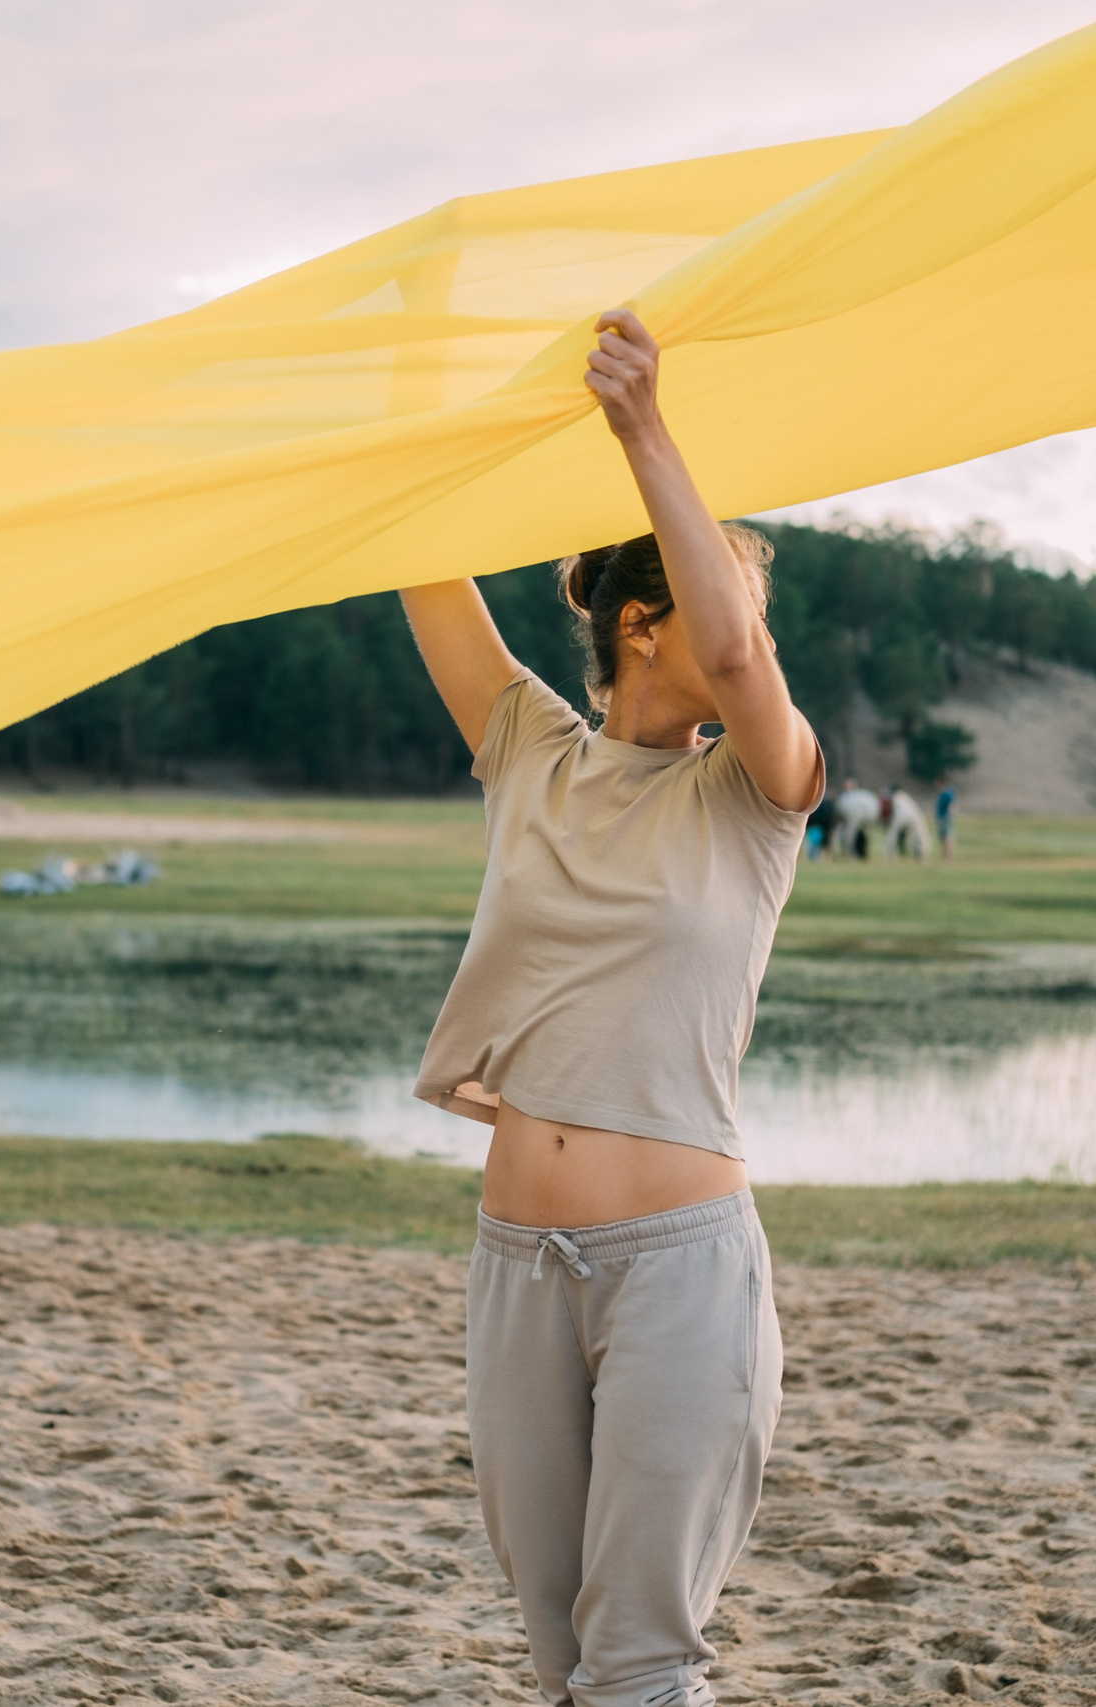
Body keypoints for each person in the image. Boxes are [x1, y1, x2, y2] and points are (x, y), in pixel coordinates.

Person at [398, 308, 824, 1707]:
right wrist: (413, 359)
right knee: (560, 1656)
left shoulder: (758, 793)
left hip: (680, 1273)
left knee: (639, 1665)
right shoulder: (530, 747)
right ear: (642, 626)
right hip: (516, 1265)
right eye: (721, 598)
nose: (750, 633)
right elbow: (421, 560)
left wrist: (642, 425)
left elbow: (742, 662)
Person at [934, 784, 956, 858]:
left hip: (945, 818)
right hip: (942, 818)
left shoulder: (947, 794)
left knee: (947, 837)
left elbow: (951, 805)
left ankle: (948, 855)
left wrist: (948, 816)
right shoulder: (942, 794)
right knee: (943, 837)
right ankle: (944, 854)